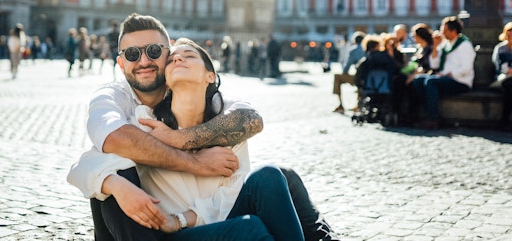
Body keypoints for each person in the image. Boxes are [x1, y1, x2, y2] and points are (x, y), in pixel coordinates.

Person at [69, 37, 337, 240]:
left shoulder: (227, 126)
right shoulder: (146, 123)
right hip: (171, 236)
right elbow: (81, 167)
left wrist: (177, 142)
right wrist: (114, 183)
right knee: (251, 227)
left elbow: (228, 198)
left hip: (201, 223)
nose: (178, 60)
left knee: (271, 175)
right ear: (166, 79)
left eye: (189, 56)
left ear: (210, 76)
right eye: (172, 59)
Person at [411, 16, 476, 129]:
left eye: (444, 30)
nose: (442, 33)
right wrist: (435, 46)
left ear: (453, 31)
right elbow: (434, 65)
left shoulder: (465, 45)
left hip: (460, 81)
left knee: (431, 81)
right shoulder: (445, 45)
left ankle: (433, 119)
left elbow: (466, 68)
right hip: (444, 78)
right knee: (418, 80)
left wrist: (448, 74)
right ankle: (431, 114)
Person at [332, 31, 366, 114]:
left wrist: (345, 73)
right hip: (369, 77)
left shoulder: (353, 50)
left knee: (337, 77)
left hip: (359, 77)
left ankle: (341, 105)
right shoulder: (367, 48)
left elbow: (347, 66)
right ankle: (358, 104)